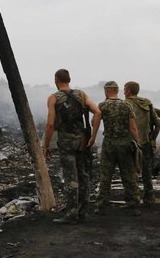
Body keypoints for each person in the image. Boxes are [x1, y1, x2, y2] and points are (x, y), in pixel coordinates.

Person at [42, 69, 102, 224]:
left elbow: (50, 125)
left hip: (66, 141)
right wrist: (93, 136)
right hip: (83, 141)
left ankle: (71, 214)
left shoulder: (54, 98)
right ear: (69, 79)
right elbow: (97, 112)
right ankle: (82, 211)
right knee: (83, 175)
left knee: (71, 178)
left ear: (56, 80)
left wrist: (46, 145)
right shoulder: (81, 95)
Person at [90, 81, 142, 215]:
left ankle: (101, 206)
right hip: (125, 143)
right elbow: (133, 127)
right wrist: (138, 143)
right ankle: (133, 205)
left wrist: (93, 136)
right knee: (128, 175)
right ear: (117, 91)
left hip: (109, 144)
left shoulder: (102, 105)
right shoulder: (127, 105)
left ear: (107, 91)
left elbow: (94, 122)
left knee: (106, 175)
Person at [124, 81, 160, 205]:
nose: (123, 92)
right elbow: (158, 124)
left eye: (124, 89)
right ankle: (149, 197)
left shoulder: (125, 104)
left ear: (128, 91)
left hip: (131, 143)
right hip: (145, 142)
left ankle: (133, 199)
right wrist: (153, 139)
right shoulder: (147, 103)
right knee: (147, 172)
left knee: (131, 172)